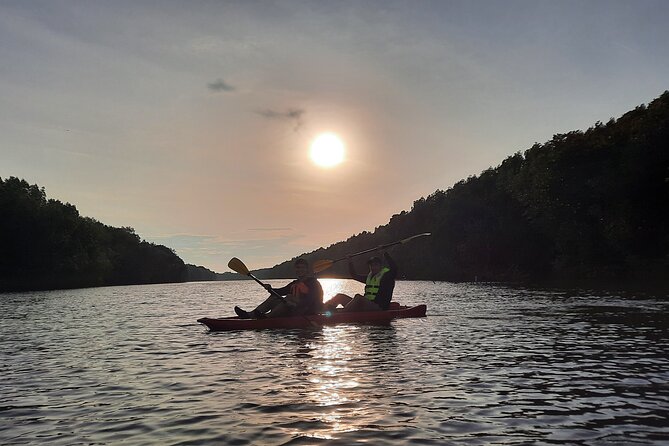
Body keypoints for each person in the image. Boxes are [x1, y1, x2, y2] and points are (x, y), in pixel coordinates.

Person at [234, 258, 323, 319]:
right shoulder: (294, 283)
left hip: (307, 311)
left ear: (307, 269)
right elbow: (280, 292)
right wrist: (270, 288)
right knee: (274, 297)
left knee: (289, 297)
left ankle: (267, 317)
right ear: (295, 269)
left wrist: (294, 304)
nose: (300, 270)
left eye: (302, 267)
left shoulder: (313, 283)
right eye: (298, 267)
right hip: (294, 309)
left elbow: (311, 300)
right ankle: (250, 315)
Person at [325, 250, 397, 312]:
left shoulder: (387, 277)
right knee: (339, 296)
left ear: (381, 266)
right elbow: (354, 275)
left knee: (358, 297)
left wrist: (385, 253)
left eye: (375, 265)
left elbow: (394, 268)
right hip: (366, 306)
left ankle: (341, 314)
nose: (373, 267)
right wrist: (350, 261)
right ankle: (324, 309)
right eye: (371, 266)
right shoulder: (369, 278)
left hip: (379, 307)